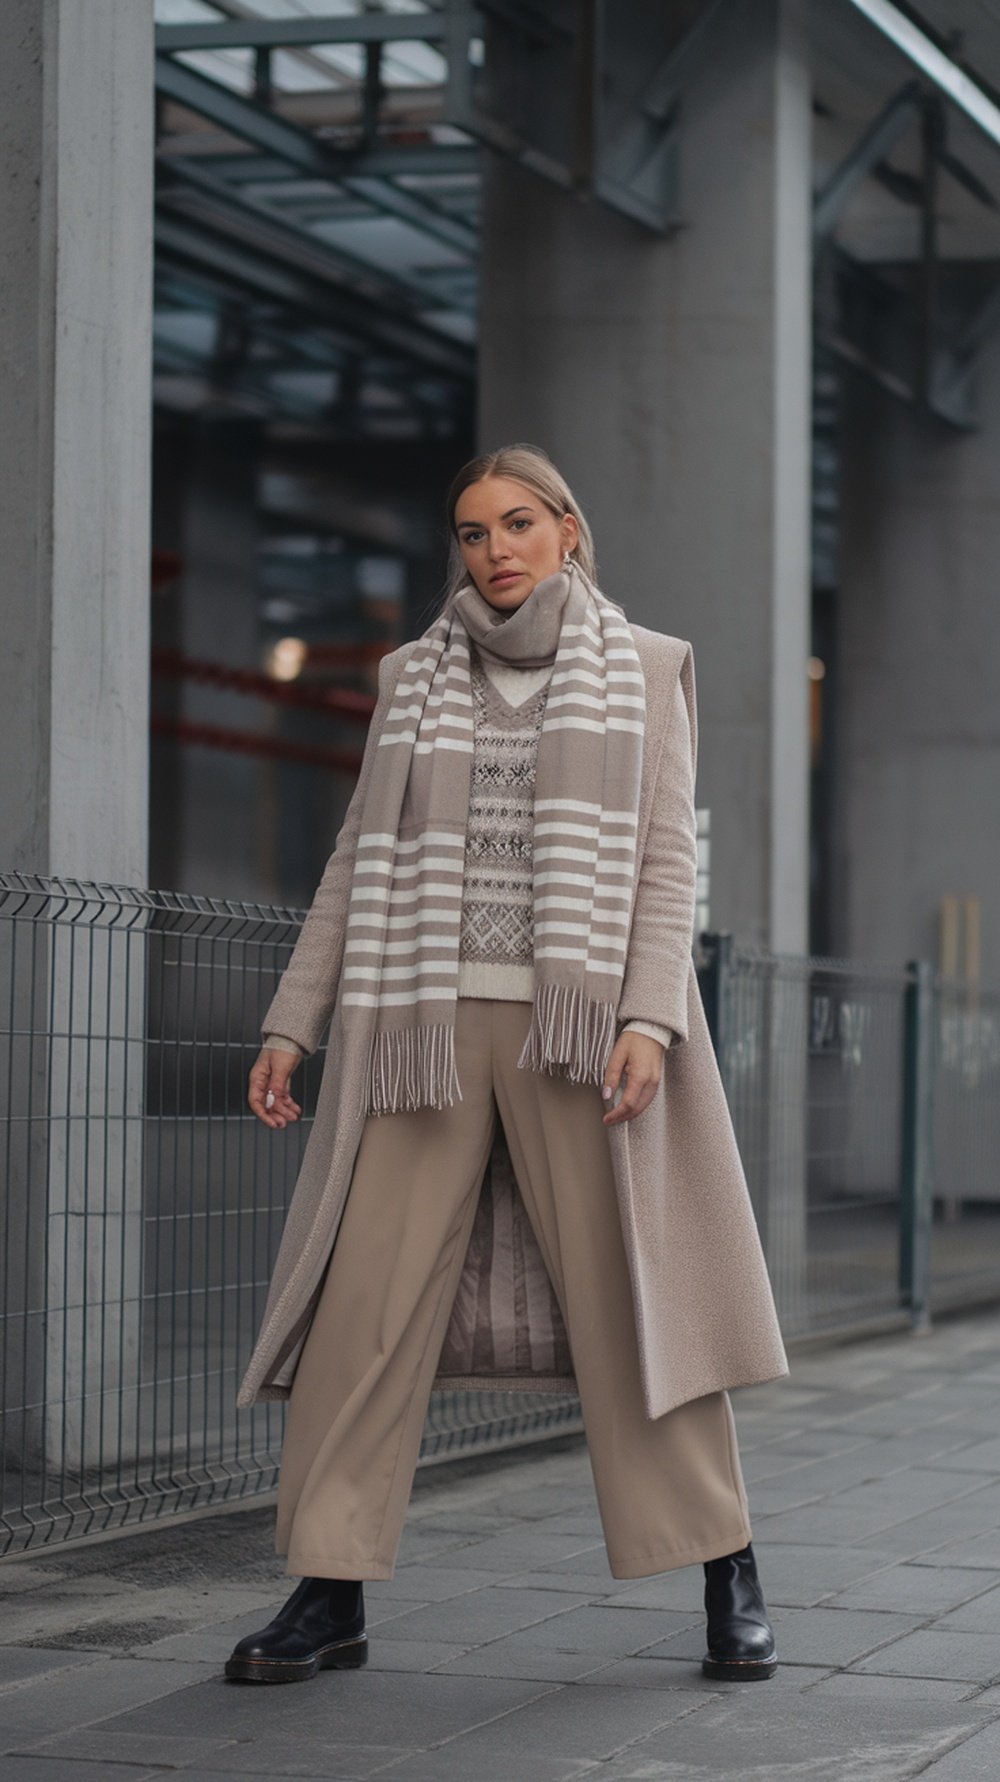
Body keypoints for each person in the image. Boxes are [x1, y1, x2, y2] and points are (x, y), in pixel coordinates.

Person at [225, 444, 789, 1687]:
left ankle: (724, 1564)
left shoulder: (644, 672)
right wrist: (291, 1022)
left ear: (569, 532)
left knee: (637, 1303)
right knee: (362, 1310)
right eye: (474, 533)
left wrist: (648, 1018)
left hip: (578, 1037)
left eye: (519, 524)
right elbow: (353, 860)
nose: (496, 552)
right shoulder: (407, 680)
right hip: (416, 1034)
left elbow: (660, 863)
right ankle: (328, 1591)